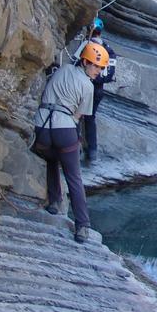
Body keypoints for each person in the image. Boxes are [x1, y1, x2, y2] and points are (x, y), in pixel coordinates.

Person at [32, 41, 109, 243]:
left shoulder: (63, 69)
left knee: (51, 158)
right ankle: (82, 226)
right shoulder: (88, 86)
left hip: (41, 125)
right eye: (95, 66)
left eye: (100, 68)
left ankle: (54, 202)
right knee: (74, 177)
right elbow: (79, 116)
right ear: (84, 62)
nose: (98, 71)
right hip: (63, 126)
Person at [74, 17, 117, 164]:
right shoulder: (108, 49)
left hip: (83, 86)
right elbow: (109, 74)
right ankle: (92, 152)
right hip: (98, 90)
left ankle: (76, 150)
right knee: (90, 119)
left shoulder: (86, 46)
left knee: (77, 117)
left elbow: (75, 63)